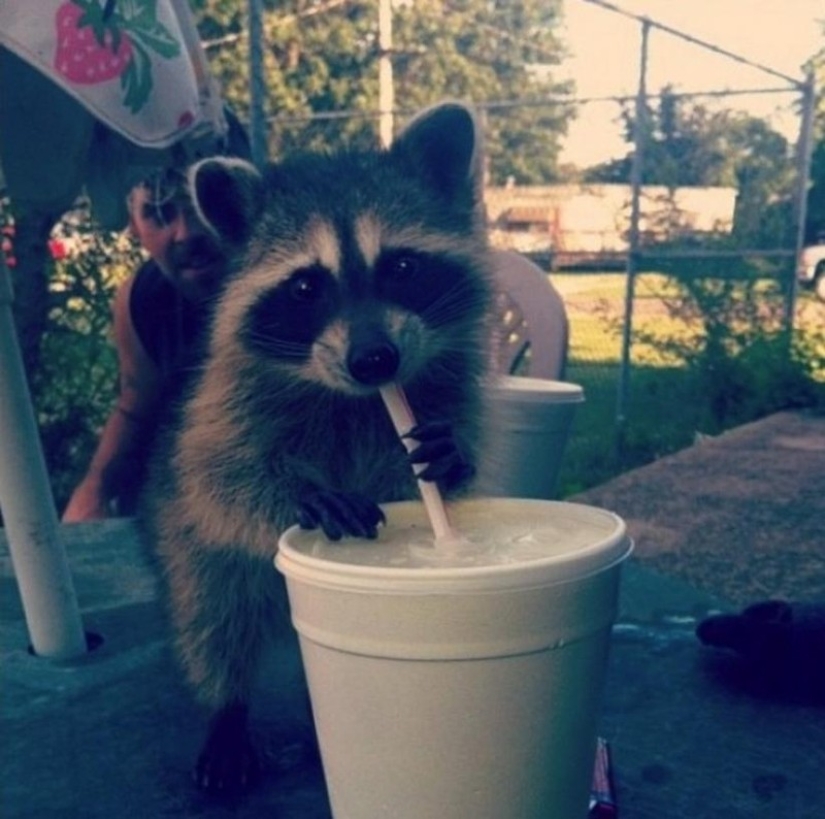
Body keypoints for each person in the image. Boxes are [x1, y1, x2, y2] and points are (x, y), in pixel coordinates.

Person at [62, 169, 228, 521]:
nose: (187, 232)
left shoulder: (292, 283)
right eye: (160, 213)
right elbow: (136, 405)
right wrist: (94, 488)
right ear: (135, 228)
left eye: (200, 207)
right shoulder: (140, 298)